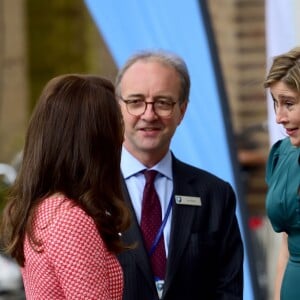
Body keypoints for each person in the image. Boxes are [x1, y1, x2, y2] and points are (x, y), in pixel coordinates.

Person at [115, 50, 244, 300]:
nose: (149, 114)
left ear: (182, 111)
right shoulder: (89, 192)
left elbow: (227, 290)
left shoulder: (215, 195)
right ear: (119, 107)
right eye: (136, 101)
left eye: (163, 102)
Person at [0, 74, 131, 299]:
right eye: (116, 124)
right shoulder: (71, 220)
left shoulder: (46, 208)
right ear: (94, 141)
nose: (121, 138)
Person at [264, 47, 300, 300]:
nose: (279, 117)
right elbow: (286, 242)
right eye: (276, 103)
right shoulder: (282, 155)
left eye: (289, 103)